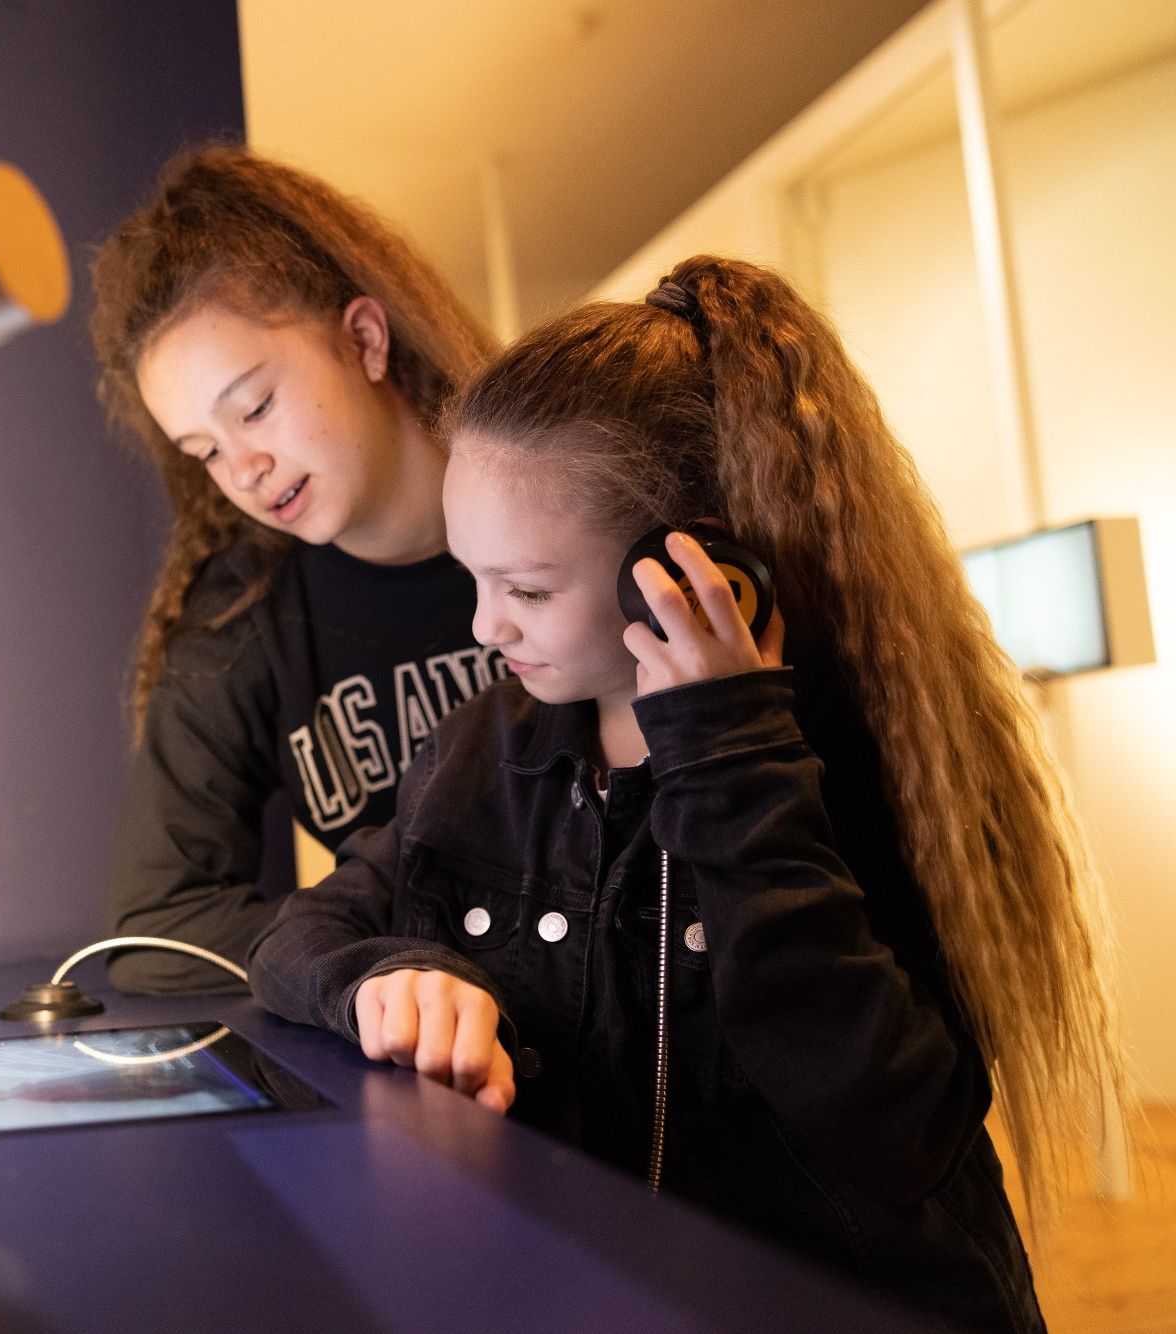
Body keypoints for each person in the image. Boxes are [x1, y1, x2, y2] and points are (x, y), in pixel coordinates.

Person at [249, 256, 1126, 1331]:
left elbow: (893, 1124)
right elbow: (304, 932)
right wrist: (394, 973)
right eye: (473, 578)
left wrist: (729, 760)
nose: (484, 627)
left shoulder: (850, 749)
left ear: (682, 567)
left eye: (525, 589)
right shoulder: (487, 744)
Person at [89, 145, 496, 992]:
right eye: (203, 451)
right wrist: (386, 961)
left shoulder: (567, 507)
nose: (243, 470)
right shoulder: (242, 617)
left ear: (364, 339)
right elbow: (155, 929)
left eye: (256, 408)